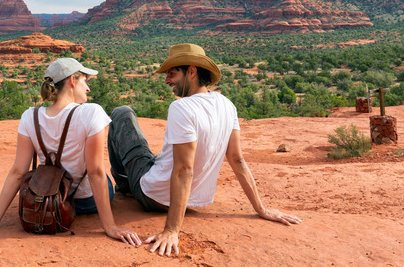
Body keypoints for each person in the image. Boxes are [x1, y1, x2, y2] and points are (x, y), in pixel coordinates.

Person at [108, 44, 301, 256]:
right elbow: (237, 159)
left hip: (151, 195)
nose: (167, 80)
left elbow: (183, 170)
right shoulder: (227, 104)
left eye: (172, 74)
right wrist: (261, 209)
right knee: (155, 157)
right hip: (192, 200)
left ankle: (125, 185)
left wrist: (172, 230)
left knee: (122, 112)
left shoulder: (181, 108)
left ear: (191, 71)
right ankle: (129, 184)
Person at [0, 58, 141, 245]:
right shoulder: (91, 113)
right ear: (72, 81)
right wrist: (110, 227)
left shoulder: (30, 116)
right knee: (107, 180)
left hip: (45, 201)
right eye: (85, 81)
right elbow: (95, 173)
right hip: (85, 201)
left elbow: (18, 172)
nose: (88, 88)